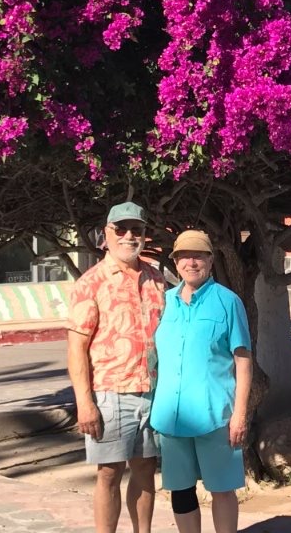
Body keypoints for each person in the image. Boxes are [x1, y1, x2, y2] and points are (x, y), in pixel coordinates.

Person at [67, 201, 167, 533]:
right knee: (108, 472)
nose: (128, 236)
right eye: (120, 229)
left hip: (152, 392)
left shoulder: (156, 279)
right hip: (110, 394)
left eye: (136, 230)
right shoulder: (90, 283)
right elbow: (77, 346)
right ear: (106, 234)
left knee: (145, 469)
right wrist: (85, 403)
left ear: (144, 234)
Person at [150, 230, 253, 533]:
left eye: (198, 255)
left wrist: (240, 414)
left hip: (215, 415)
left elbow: (243, 359)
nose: (191, 262)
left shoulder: (227, 302)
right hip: (171, 417)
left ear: (210, 259)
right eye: (184, 256)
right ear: (175, 261)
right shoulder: (163, 302)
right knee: (181, 491)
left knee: (221, 489)